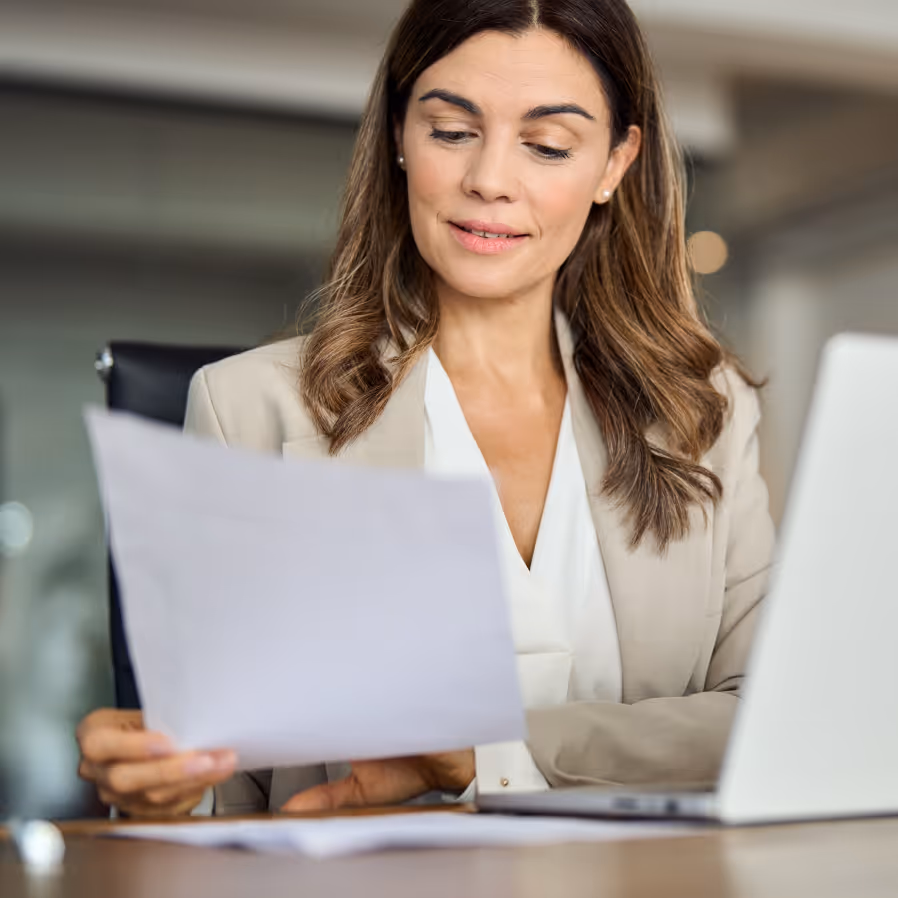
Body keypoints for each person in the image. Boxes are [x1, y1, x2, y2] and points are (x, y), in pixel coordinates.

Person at [77, 0, 775, 818]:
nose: (490, 179)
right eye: (451, 131)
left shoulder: (704, 413)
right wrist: (157, 795)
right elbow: (218, 799)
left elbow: (766, 721)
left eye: (547, 145)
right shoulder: (247, 410)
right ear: (401, 139)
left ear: (615, 164)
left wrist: (489, 752)